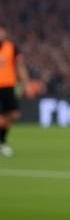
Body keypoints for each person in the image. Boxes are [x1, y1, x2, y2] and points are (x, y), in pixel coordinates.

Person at [0, 26, 29, 158]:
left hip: (8, 86)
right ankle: (3, 142)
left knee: (13, 115)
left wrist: (26, 83)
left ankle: (2, 141)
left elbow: (19, 66)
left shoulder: (11, 48)